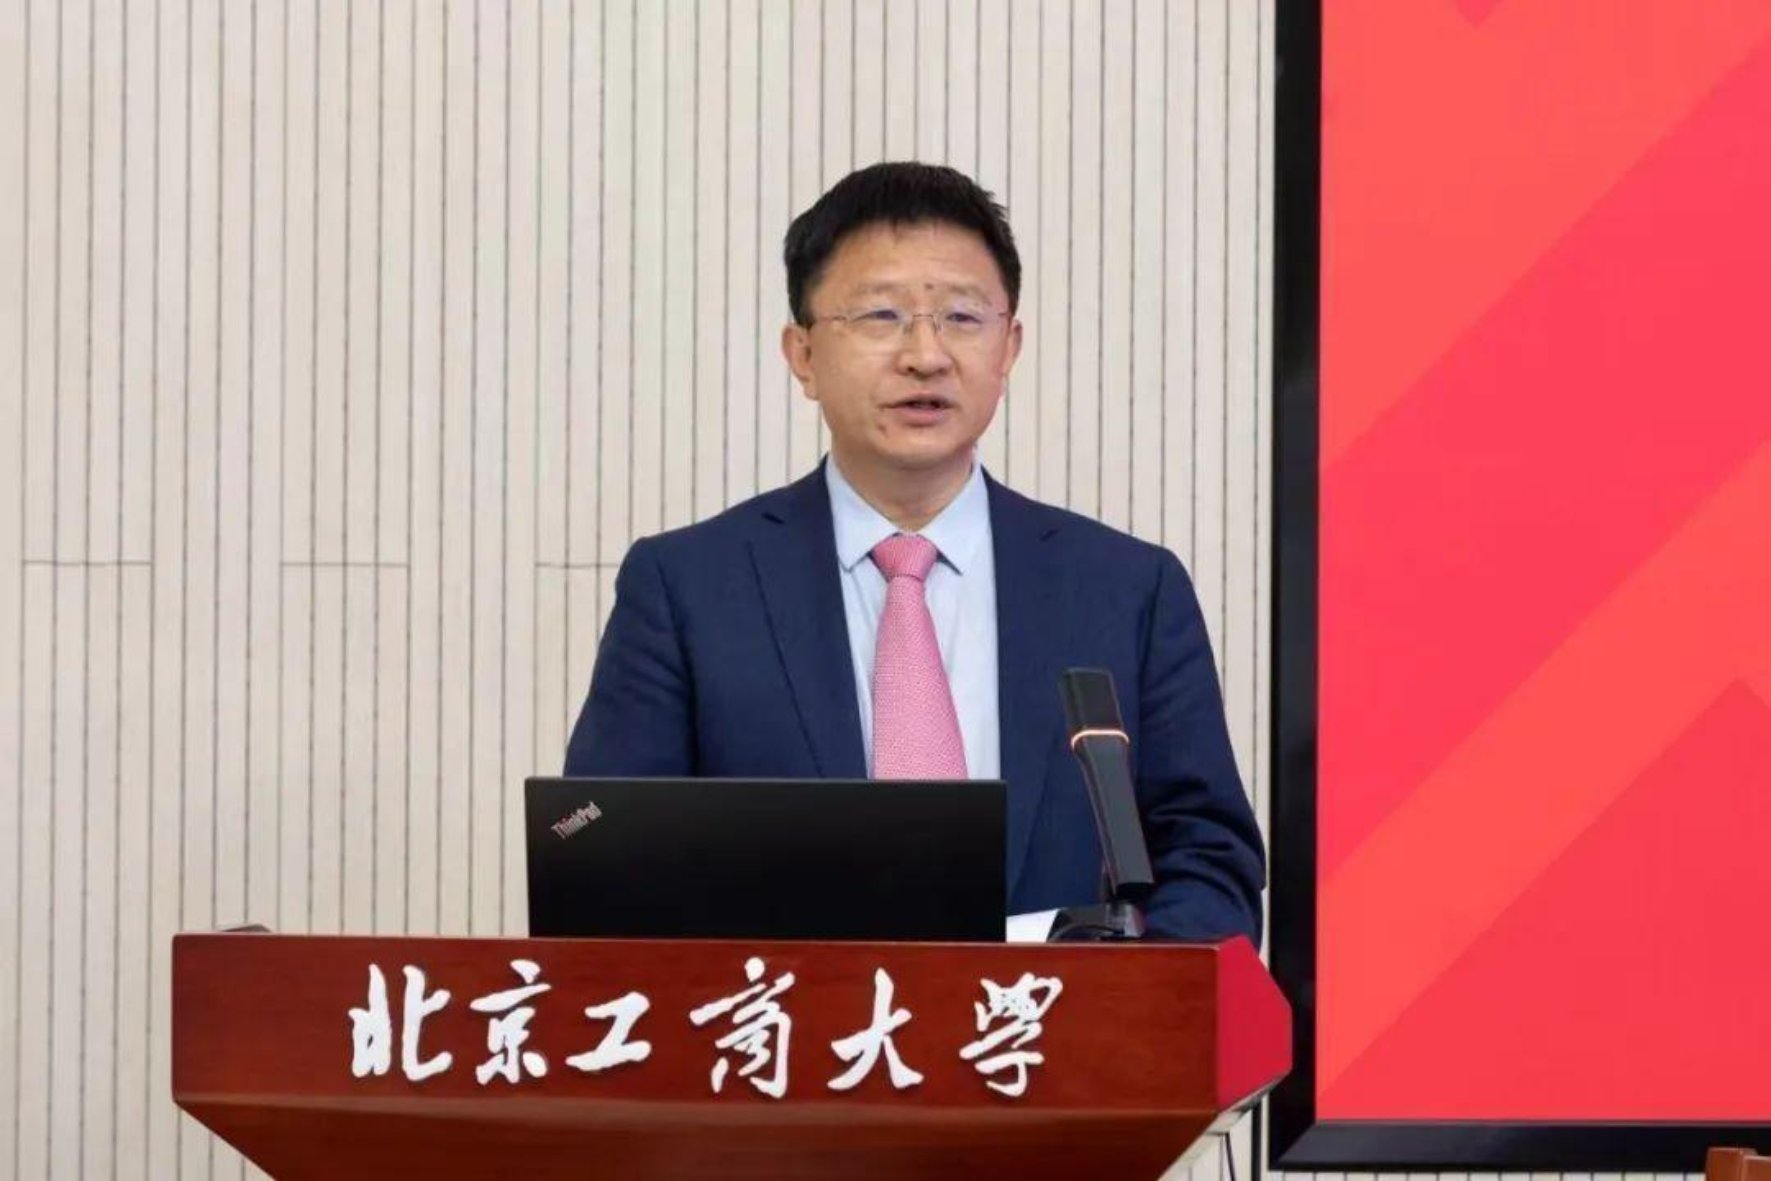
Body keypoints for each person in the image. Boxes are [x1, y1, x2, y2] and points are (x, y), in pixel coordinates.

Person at [564, 161, 1264, 943]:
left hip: (1053, 1021)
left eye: (962, 317)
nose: (925, 355)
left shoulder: (1126, 589)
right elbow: (605, 863)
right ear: (801, 354)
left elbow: (1209, 865)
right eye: (881, 315)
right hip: (788, 1019)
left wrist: (1101, 993)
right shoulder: (689, 588)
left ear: (1008, 347)